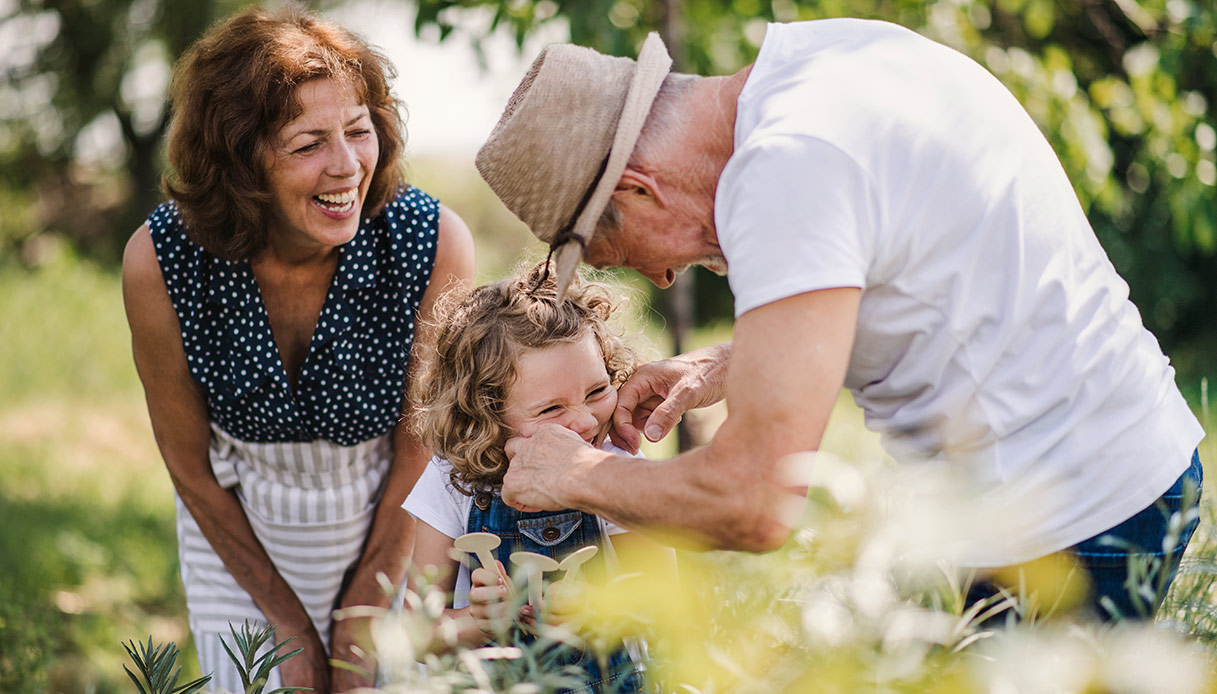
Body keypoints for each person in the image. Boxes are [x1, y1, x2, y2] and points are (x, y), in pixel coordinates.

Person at [472, 20, 1204, 620]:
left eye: (620, 252)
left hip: (1078, 515)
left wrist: (580, 473)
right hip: (1099, 472)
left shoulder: (784, 172)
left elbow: (754, 502)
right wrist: (725, 364)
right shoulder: (823, 61)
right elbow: (908, 273)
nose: (660, 278)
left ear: (637, 188)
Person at [121, 6, 475, 691]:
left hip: (396, 531)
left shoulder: (430, 243)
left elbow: (422, 441)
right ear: (241, 158)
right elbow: (188, 465)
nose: (346, 166)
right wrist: (284, 620)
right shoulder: (162, 259)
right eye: (308, 142)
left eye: (358, 131)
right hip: (238, 551)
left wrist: (368, 602)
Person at [403, 263, 674, 690]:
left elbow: (666, 604)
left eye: (597, 391)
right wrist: (479, 621)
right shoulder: (453, 481)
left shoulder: (617, 469)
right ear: (485, 414)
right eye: (551, 409)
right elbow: (418, 635)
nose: (584, 421)